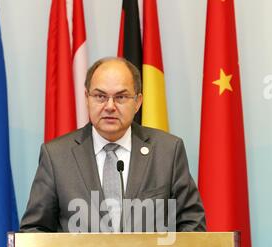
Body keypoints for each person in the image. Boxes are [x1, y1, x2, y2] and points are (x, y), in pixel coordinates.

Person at [20, 57, 205, 233]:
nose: (109, 106)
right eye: (100, 96)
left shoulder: (167, 151)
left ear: (137, 102)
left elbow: (192, 224)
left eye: (121, 97)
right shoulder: (57, 156)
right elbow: (34, 232)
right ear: (87, 98)